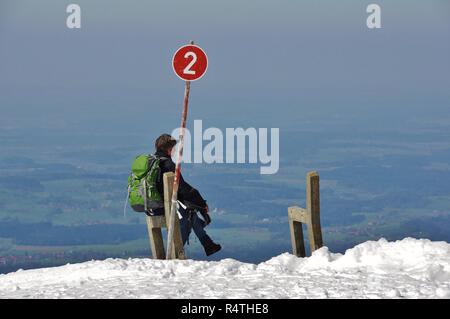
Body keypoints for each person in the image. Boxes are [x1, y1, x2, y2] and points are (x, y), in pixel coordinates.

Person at [148, 134, 221, 257]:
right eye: (173, 147)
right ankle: (178, 252)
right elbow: (182, 188)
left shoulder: (152, 162)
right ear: (169, 149)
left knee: (190, 214)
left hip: (151, 206)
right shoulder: (168, 165)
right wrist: (201, 204)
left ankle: (207, 245)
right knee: (189, 216)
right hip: (164, 206)